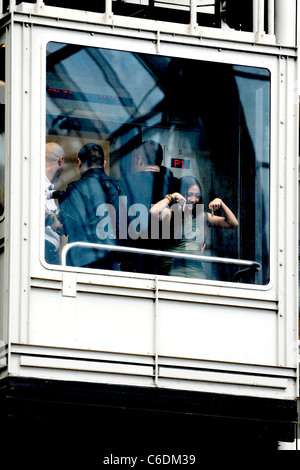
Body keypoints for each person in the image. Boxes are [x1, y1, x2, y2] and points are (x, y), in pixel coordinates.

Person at [150, 175, 239, 279]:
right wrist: (172, 197)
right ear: (181, 193)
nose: (193, 199)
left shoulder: (202, 216)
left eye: (197, 195)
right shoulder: (171, 213)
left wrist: (221, 202)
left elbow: (232, 223)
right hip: (173, 271)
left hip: (196, 272)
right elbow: (153, 211)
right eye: (189, 194)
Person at [60, 143, 123, 269]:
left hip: (84, 262)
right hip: (113, 262)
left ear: (79, 162)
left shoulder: (75, 189)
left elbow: (72, 226)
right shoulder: (118, 188)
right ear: (104, 164)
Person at [120, 140, 178, 274]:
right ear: (160, 160)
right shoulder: (175, 185)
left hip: (133, 257)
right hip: (167, 259)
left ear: (139, 159)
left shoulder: (124, 183)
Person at [45, 142, 65, 264]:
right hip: (43, 250)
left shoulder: (49, 189)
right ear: (60, 161)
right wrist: (54, 223)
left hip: (50, 252)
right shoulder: (38, 184)